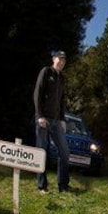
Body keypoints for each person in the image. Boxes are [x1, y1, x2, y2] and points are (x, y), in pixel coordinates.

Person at [33, 50, 71, 193]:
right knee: (42, 151)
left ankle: (63, 185)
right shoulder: (46, 72)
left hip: (56, 121)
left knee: (65, 152)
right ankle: (42, 186)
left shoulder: (62, 78)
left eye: (64, 60)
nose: (61, 62)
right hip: (43, 119)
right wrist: (39, 116)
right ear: (53, 59)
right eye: (59, 59)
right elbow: (37, 93)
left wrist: (62, 119)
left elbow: (62, 100)